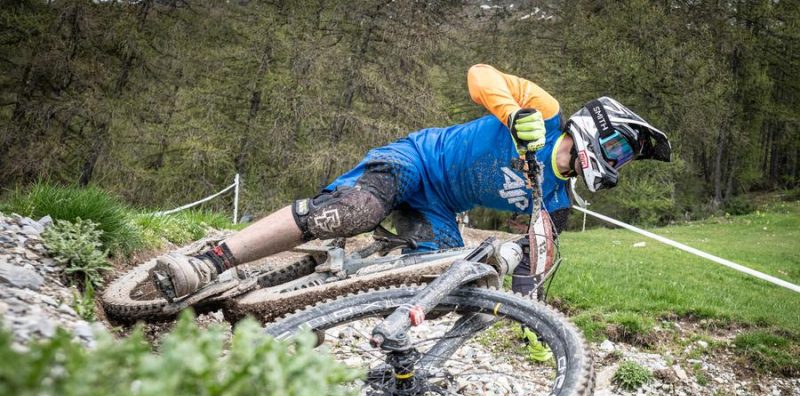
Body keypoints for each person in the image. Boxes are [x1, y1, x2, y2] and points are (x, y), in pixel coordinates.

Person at [154, 64, 671, 300]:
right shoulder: (548, 112)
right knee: (349, 214)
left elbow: (535, 260)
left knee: (446, 276)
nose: (618, 162)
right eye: (620, 148)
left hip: (441, 211)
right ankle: (212, 259)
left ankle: (320, 297)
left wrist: (521, 300)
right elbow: (480, 74)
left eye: (626, 159)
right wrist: (513, 113)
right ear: (597, 127)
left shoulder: (556, 197)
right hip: (414, 161)